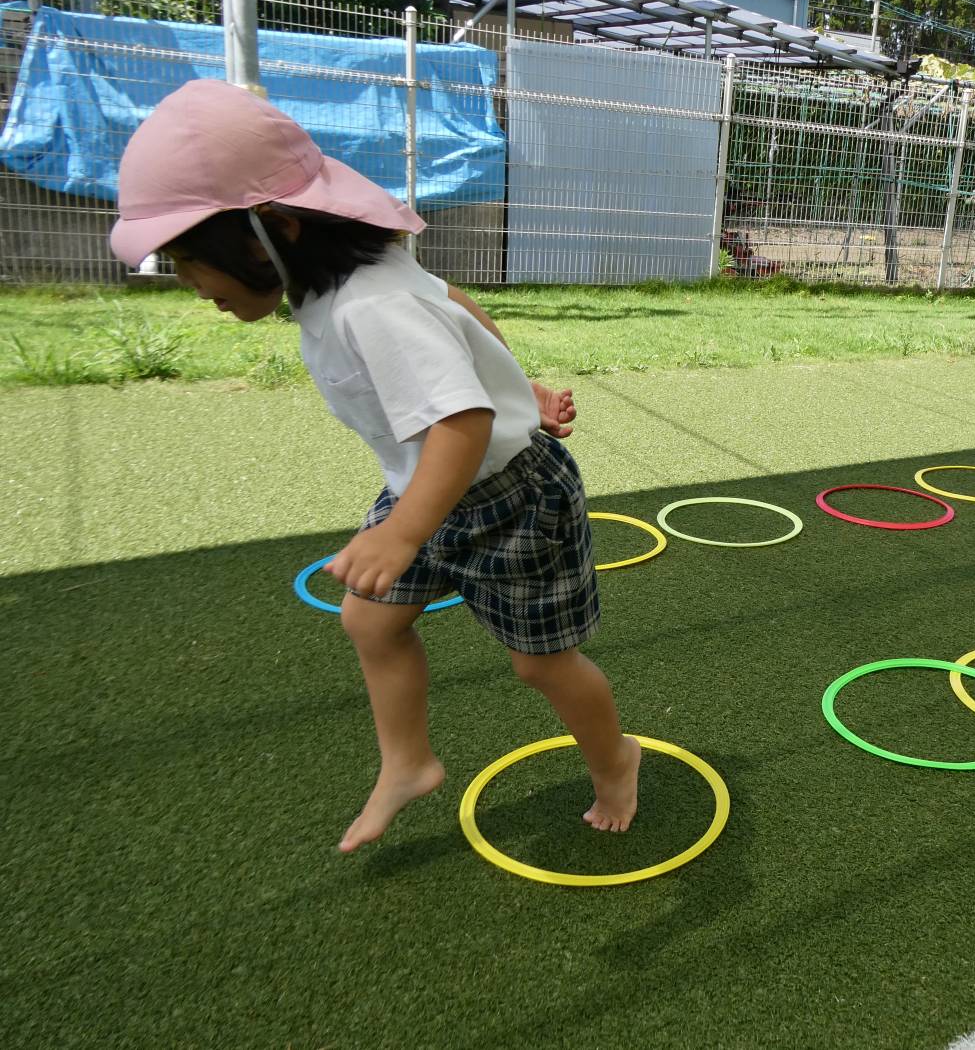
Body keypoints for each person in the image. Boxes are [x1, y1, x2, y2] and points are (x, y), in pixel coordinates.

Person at [109, 80, 640, 851]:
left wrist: (403, 531)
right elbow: (453, 302)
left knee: (541, 664)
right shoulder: (343, 283)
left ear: (275, 231)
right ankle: (407, 762)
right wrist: (515, 383)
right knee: (370, 618)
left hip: (512, 497)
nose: (192, 286)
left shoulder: (370, 306)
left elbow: (462, 422)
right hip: (431, 485)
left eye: (191, 261)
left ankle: (615, 760)